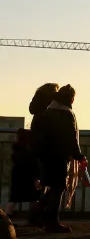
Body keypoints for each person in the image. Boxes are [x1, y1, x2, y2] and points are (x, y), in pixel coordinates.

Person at [35, 84, 87, 233]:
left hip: (46, 154)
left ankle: (38, 211)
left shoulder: (49, 111)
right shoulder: (66, 114)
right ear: (70, 98)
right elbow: (71, 137)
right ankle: (51, 221)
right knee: (59, 187)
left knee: (53, 186)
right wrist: (78, 155)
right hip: (59, 155)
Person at [4, 84, 56, 221]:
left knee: (14, 197)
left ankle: (6, 220)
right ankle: (35, 217)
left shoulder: (37, 113)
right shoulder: (46, 115)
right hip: (34, 164)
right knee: (35, 194)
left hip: (19, 174)